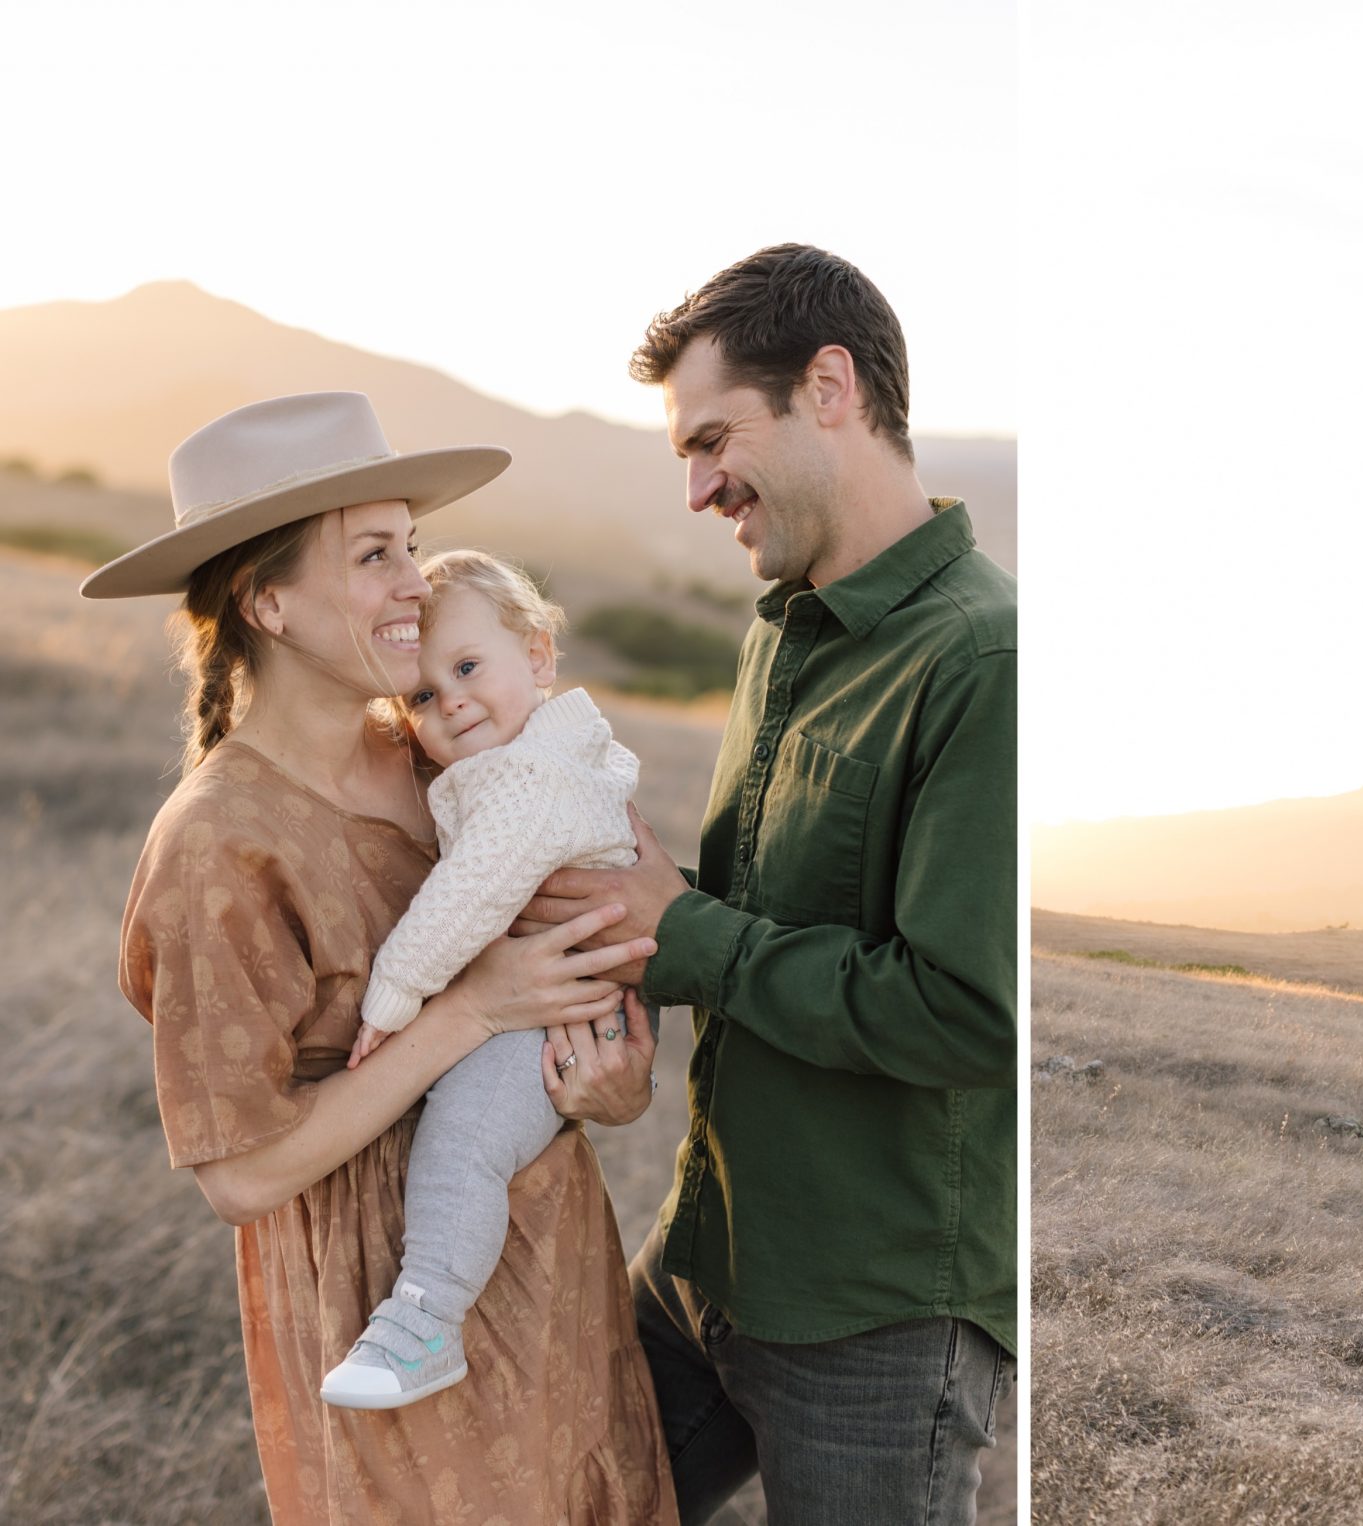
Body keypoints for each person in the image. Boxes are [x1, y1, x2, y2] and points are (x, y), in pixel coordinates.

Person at [87, 392, 679, 1523]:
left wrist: (611, 1085)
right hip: (387, 1320)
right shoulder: (219, 844)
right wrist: (467, 1013)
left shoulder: (439, 748)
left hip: (553, 1276)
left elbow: (587, 965)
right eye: (373, 555)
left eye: (410, 543)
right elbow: (240, 1176)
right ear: (267, 602)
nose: (416, 580)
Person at [514, 244, 1017, 1524]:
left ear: (829, 387)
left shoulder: (984, 659)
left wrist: (685, 931)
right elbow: (743, 918)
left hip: (872, 1320)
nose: (696, 488)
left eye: (712, 439)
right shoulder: (780, 632)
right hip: (707, 1252)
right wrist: (625, 943)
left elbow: (967, 1011)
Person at [319, 548, 648, 1409]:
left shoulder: (530, 781)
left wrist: (393, 994)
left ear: (538, 656)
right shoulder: (539, 753)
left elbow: (467, 897)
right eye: (423, 696)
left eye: (467, 669)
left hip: (557, 1016)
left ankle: (427, 1321)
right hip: (558, 998)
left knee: (464, 1141)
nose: (451, 701)